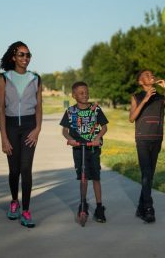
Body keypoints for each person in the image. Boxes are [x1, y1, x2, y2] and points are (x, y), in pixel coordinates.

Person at [0, 41, 42, 228]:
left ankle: (26, 210)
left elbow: (39, 106)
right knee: (14, 170)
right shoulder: (4, 78)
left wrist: (37, 129)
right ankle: (14, 201)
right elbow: (0, 108)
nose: (25, 58)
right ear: (13, 57)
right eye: (21, 54)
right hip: (12, 127)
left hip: (29, 126)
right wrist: (4, 137)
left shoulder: (36, 78)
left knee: (26, 169)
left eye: (28, 55)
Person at [129, 70, 165, 223]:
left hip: (157, 139)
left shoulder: (160, 98)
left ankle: (141, 207)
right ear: (140, 82)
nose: (151, 76)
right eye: (147, 75)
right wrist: (145, 99)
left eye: (152, 74)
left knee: (149, 175)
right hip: (142, 139)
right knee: (146, 173)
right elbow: (132, 118)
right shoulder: (136, 96)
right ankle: (149, 208)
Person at [60, 81, 108, 223]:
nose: (85, 95)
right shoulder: (70, 111)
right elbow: (64, 130)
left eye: (86, 92)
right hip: (78, 148)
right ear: (74, 95)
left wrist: (98, 137)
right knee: (83, 177)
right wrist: (70, 139)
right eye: (81, 93)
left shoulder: (95, 109)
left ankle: (99, 207)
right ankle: (83, 204)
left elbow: (104, 127)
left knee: (96, 177)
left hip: (93, 148)